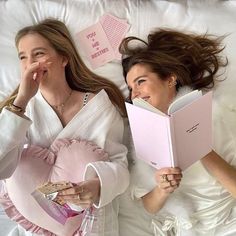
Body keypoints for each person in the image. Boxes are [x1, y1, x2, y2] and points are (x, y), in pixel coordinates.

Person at [0, 18, 129, 236]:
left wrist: (98, 186)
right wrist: (21, 101)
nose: (31, 64)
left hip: (93, 224)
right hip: (39, 226)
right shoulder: (21, 110)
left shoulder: (99, 107)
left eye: (39, 54)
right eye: (23, 57)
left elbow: (122, 168)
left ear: (64, 58)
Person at [118, 29, 236, 236]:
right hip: (184, 229)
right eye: (130, 88)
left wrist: (201, 148)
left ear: (170, 79)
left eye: (140, 81)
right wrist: (162, 189)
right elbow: (146, 207)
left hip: (227, 224)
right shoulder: (141, 134)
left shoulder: (213, 114)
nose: (134, 93)